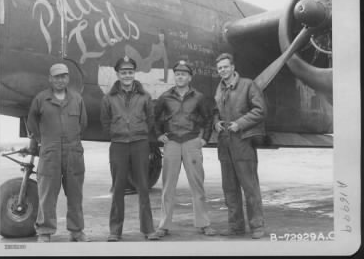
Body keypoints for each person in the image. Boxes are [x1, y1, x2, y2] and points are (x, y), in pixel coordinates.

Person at [27, 63, 89, 242]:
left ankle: (76, 231)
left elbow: (82, 124)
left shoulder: (77, 99)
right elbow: (32, 123)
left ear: (68, 78)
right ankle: (45, 232)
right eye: (56, 77)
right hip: (50, 154)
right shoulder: (41, 99)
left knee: (75, 194)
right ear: (50, 79)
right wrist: (44, 141)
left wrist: (72, 141)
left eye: (63, 76)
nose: (60, 80)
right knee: (47, 194)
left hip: (73, 153)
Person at [100, 56, 160, 242]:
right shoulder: (108, 98)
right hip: (118, 145)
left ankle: (148, 229)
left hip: (140, 144)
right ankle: (115, 231)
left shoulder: (145, 97)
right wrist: (117, 133)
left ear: (134, 73)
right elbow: (105, 122)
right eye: (123, 72)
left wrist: (139, 133)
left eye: (130, 72)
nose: (127, 75)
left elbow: (151, 120)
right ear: (117, 74)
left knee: (143, 187)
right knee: (118, 188)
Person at [154, 59, 217, 237]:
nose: (180, 77)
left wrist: (204, 139)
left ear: (189, 78)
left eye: (183, 74)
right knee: (168, 186)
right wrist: (159, 135)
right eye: (177, 74)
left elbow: (208, 117)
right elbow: (155, 116)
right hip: (172, 143)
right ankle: (163, 226)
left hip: (191, 142)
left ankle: (204, 223)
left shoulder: (199, 97)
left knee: (197, 185)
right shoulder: (165, 96)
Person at [213, 53, 267, 239]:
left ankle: (257, 226)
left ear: (233, 67)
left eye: (226, 67)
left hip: (242, 142)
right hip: (225, 143)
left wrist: (240, 123)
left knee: (250, 186)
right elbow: (216, 112)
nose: (223, 71)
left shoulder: (248, 85)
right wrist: (216, 123)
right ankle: (235, 227)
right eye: (220, 68)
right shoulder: (219, 89)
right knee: (229, 188)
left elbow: (260, 110)